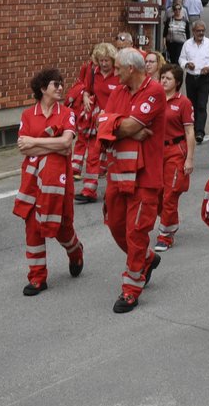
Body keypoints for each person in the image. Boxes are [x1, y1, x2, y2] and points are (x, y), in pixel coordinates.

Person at [101, 49, 166, 314]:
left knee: (136, 233)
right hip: (118, 173)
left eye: (118, 69)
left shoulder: (154, 91)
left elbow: (124, 125)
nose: (114, 74)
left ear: (131, 69)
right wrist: (120, 125)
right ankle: (147, 259)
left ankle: (131, 289)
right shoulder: (118, 91)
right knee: (116, 226)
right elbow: (103, 122)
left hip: (145, 176)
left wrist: (117, 125)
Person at [14, 70, 83, 294]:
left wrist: (36, 142)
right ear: (43, 89)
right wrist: (51, 145)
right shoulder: (27, 115)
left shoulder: (67, 113)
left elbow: (66, 144)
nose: (61, 88)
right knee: (33, 227)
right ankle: (37, 278)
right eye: (56, 84)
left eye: (62, 84)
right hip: (33, 180)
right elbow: (23, 148)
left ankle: (75, 251)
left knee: (63, 229)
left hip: (59, 181)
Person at [69, 43, 119, 202]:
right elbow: (87, 89)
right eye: (101, 60)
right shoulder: (93, 72)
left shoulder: (119, 75)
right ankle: (88, 191)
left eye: (107, 61)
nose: (104, 64)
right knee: (93, 155)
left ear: (113, 60)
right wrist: (85, 96)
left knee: (113, 158)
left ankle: (115, 190)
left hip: (113, 121)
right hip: (96, 121)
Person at [154, 65, 196, 254]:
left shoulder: (183, 103)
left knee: (170, 194)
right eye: (162, 77)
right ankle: (170, 222)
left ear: (177, 82)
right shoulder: (155, 100)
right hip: (156, 152)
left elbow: (189, 132)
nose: (163, 81)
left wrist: (189, 159)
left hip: (175, 151)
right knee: (156, 194)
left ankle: (165, 235)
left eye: (168, 78)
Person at [177, 21, 209, 145]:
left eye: (202, 31)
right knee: (192, 104)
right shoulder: (187, 44)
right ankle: (192, 128)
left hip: (204, 78)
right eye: (198, 31)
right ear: (193, 31)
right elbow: (181, 59)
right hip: (191, 78)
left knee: (202, 104)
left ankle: (200, 132)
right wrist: (186, 64)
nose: (200, 33)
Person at [164, 2, 190, 68]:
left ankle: (177, 72)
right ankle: (174, 73)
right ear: (173, 10)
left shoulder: (185, 21)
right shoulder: (169, 20)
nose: (177, 11)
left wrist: (188, 44)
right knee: (172, 60)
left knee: (178, 59)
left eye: (179, 9)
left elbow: (188, 34)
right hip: (171, 43)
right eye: (176, 9)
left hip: (181, 43)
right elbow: (165, 32)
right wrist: (164, 43)